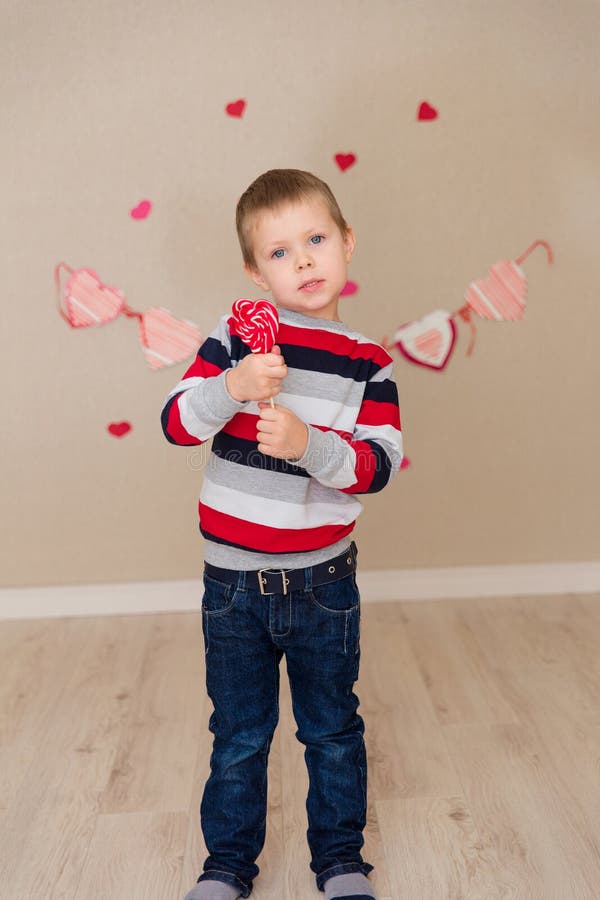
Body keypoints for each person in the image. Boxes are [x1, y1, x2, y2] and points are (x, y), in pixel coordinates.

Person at [161, 168, 403, 900]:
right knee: (238, 735)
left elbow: (377, 466)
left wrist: (309, 444)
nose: (302, 260)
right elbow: (175, 423)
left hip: (324, 583)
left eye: (317, 239)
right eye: (279, 251)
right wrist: (229, 389)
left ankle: (340, 861)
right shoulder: (235, 339)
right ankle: (227, 866)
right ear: (253, 270)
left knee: (331, 730)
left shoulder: (369, 362)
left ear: (348, 244)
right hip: (231, 586)